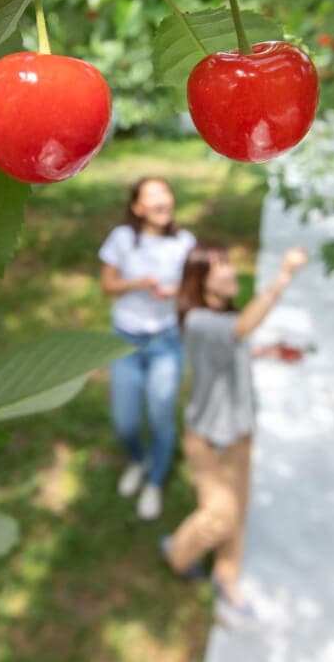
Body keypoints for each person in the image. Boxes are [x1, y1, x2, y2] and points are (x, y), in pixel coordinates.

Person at [161, 242, 309, 626]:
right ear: (199, 281)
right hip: (208, 439)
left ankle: (226, 578)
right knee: (220, 517)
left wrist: (265, 353)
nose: (230, 272)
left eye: (228, 263)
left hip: (240, 432)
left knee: (237, 516)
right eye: (219, 267)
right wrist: (284, 276)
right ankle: (178, 554)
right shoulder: (196, 319)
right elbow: (240, 328)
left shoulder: (219, 316)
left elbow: (236, 339)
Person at [99, 178, 196, 520]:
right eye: (152, 195)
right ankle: (138, 462)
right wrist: (138, 283)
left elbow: (193, 288)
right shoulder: (122, 240)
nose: (162, 200)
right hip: (123, 341)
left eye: (166, 192)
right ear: (138, 207)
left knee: (160, 416)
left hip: (166, 341)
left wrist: (177, 292)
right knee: (125, 422)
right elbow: (107, 286)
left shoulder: (184, 243)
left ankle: (155, 481)